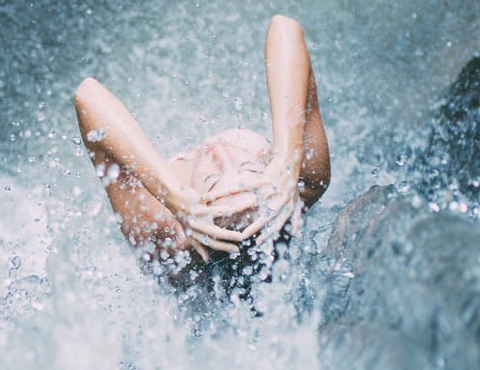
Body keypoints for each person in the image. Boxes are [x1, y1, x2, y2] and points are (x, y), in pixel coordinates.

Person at [74, 15, 330, 280]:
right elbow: (284, 27)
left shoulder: (162, 236)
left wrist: (172, 196)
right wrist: (287, 160)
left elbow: (87, 95)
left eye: (210, 180)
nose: (219, 151)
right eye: (248, 166)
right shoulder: (302, 184)